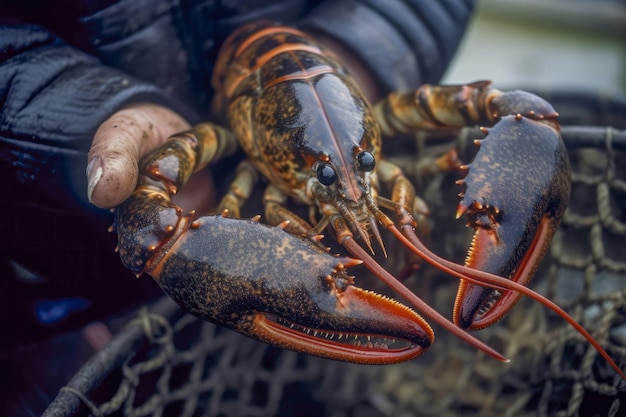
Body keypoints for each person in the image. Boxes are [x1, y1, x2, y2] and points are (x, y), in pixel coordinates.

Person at [0, 0, 476, 343]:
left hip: (327, 54)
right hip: (49, 275)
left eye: (366, 162)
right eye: (325, 176)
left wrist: (363, 47)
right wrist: (74, 119)